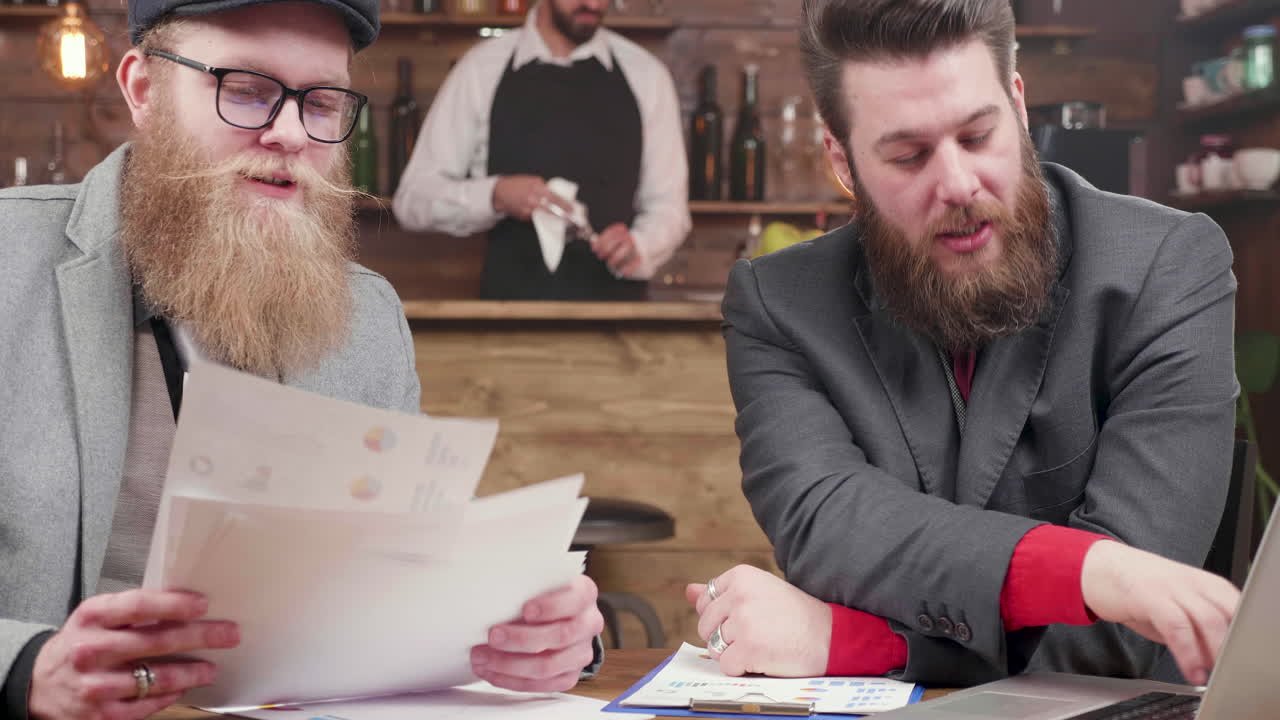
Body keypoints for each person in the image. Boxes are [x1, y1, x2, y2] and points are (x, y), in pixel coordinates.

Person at [0, 0, 602, 717]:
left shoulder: (369, 317)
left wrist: (542, 632)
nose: (289, 133)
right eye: (246, 90)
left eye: (321, 102)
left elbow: (409, 576)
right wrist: (26, 667)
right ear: (143, 91)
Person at [687, 0, 1242, 689]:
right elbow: (827, 519)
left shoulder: (1168, 265)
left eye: (978, 136)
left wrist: (860, 642)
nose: (956, 184)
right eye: (908, 155)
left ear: (1016, 103)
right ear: (842, 160)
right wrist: (1086, 570)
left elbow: (1125, 633)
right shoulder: (778, 303)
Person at [391, 0, 691, 301]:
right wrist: (494, 195)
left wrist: (640, 245)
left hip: (621, 324)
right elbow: (414, 199)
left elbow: (670, 207)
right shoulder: (481, 69)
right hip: (506, 318)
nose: (593, 4)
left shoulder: (648, 76)